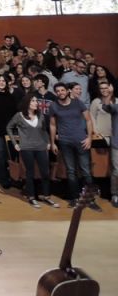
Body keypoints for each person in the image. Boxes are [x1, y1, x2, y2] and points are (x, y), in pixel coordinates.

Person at [48, 82, 101, 211]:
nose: (60, 92)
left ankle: (90, 200)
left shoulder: (78, 103)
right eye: (58, 91)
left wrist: (89, 138)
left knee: (86, 171)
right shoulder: (54, 106)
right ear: (56, 93)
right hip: (65, 142)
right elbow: (53, 125)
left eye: (62, 90)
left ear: (67, 91)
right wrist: (53, 142)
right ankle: (74, 198)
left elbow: (88, 120)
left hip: (81, 141)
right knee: (71, 172)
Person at [7, 94, 60, 209]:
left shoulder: (40, 115)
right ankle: (31, 196)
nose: (36, 103)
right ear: (27, 103)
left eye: (36, 101)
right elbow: (9, 128)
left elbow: (44, 130)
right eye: (33, 101)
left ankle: (46, 196)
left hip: (41, 147)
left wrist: (48, 142)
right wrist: (14, 143)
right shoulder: (19, 116)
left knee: (45, 172)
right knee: (30, 173)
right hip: (27, 148)